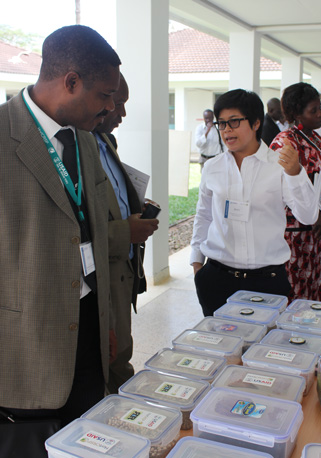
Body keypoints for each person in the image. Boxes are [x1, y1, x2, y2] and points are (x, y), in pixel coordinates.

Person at [0, 25, 120, 454]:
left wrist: (101, 317)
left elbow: (91, 233)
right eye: (104, 95)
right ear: (70, 81)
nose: (109, 108)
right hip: (23, 347)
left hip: (86, 335)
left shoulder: (85, 140)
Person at [190, 88, 318, 317]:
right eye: (222, 124)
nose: (227, 130)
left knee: (262, 349)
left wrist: (296, 172)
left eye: (234, 122)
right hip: (217, 278)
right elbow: (204, 216)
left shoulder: (279, 165)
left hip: (266, 281)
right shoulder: (212, 167)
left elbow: (308, 216)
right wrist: (197, 265)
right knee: (222, 348)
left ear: (256, 123)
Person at [93, 73, 159, 393]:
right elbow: (72, 233)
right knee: (105, 362)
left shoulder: (106, 141)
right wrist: (124, 231)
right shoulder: (71, 149)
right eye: (116, 104)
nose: (121, 114)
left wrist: (133, 207)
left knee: (121, 355)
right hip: (99, 277)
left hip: (124, 273)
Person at [270, 82, 321, 303]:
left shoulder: (317, 139)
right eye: (314, 111)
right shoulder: (285, 143)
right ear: (295, 114)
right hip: (294, 239)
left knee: (313, 295)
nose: (320, 114)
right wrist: (315, 214)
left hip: (315, 237)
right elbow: (281, 190)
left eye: (320, 109)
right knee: (296, 298)